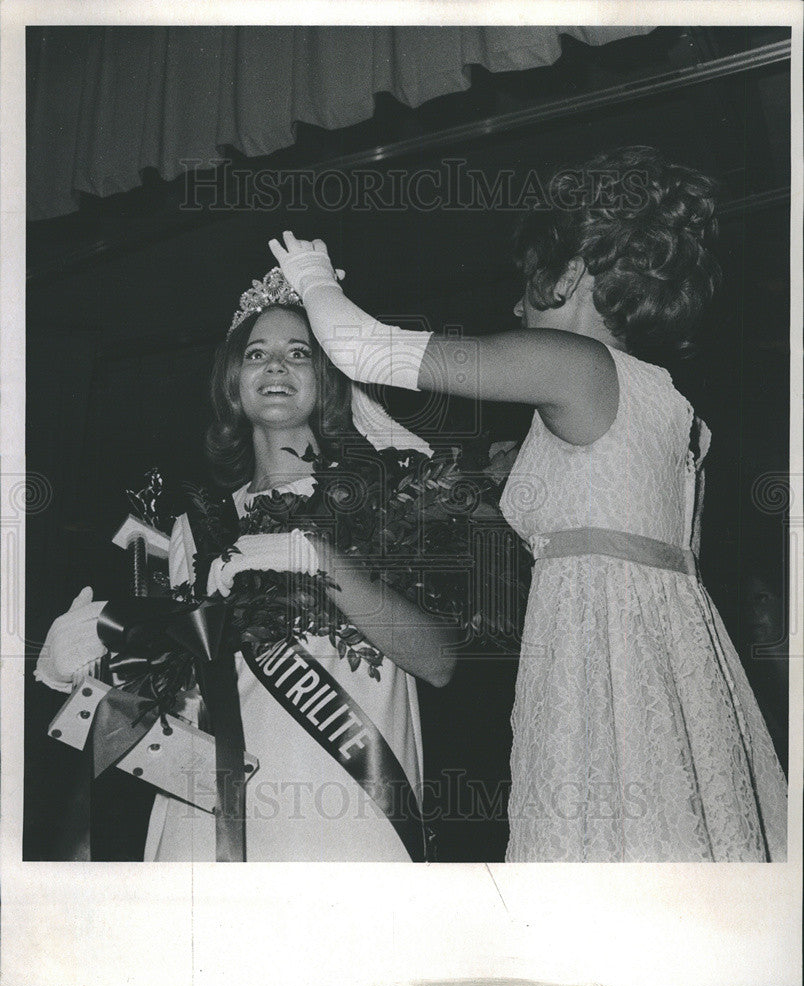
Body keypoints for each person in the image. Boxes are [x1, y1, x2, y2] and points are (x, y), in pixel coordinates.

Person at [268, 145, 788, 862]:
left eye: (525, 283)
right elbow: (414, 452)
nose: (515, 305)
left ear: (570, 273)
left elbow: (369, 349)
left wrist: (312, 278)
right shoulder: (663, 402)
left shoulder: (574, 364)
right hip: (670, 660)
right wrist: (350, 402)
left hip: (598, 654)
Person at [36, 274, 458, 862]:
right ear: (233, 384)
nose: (276, 366)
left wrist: (314, 557)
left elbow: (437, 660)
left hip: (344, 807)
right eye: (257, 354)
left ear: (329, 378)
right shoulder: (194, 529)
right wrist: (92, 669)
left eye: (299, 354)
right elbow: (172, 693)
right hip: (212, 818)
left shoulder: (384, 497)